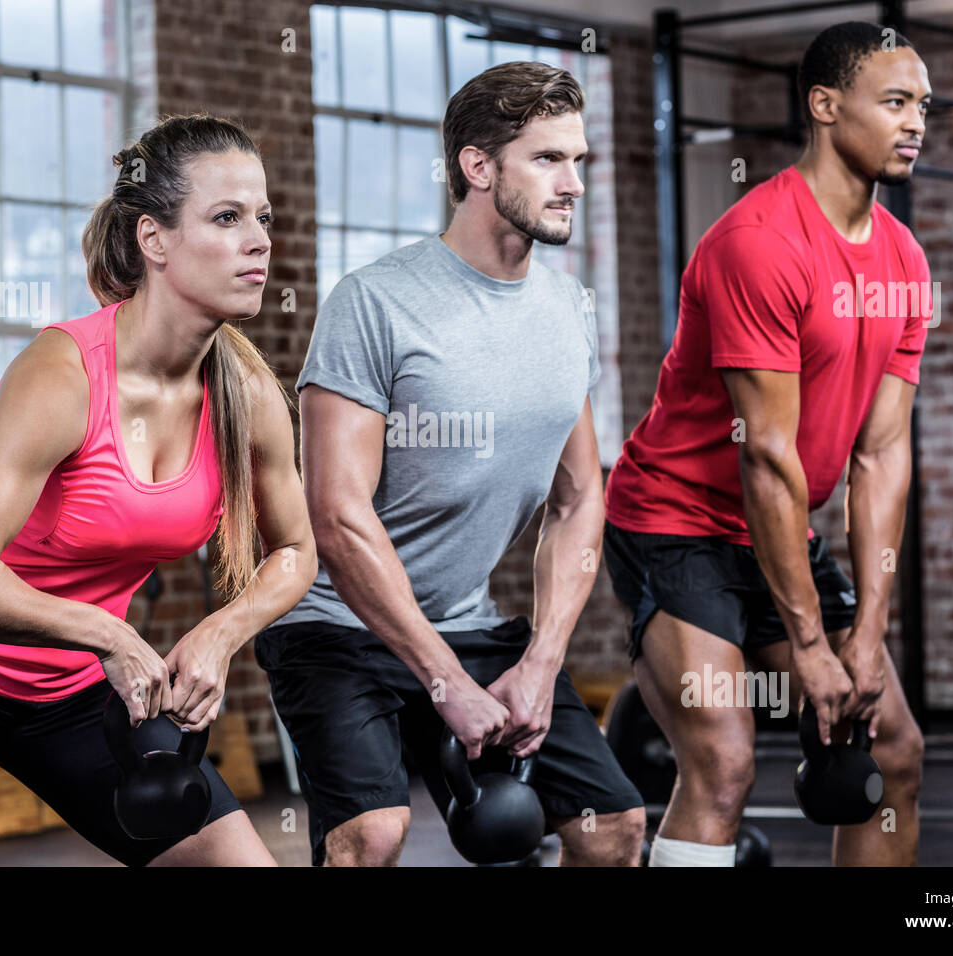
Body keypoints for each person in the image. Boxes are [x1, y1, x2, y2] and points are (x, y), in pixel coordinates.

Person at [0, 114, 318, 867]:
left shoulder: (246, 391)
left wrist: (222, 635)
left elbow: (294, 549)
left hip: (67, 696)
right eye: (227, 218)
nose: (259, 239)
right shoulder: (63, 374)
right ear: (154, 241)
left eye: (262, 217)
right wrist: (113, 635)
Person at [256, 61, 646, 867]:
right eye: (548, 159)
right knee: (371, 835)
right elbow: (336, 516)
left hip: (468, 623)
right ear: (478, 167)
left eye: (580, 160)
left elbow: (579, 500)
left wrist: (541, 663)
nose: (573, 183)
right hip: (336, 626)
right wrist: (446, 685)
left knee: (615, 830)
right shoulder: (376, 302)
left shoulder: (567, 310)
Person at [604, 21, 932, 866]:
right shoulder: (759, 245)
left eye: (922, 105)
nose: (915, 121)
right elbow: (766, 457)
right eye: (894, 102)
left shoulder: (903, 262)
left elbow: (881, 455)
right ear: (825, 105)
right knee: (723, 760)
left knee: (890, 748)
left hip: (780, 533)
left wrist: (865, 638)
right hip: (675, 523)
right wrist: (812, 646)